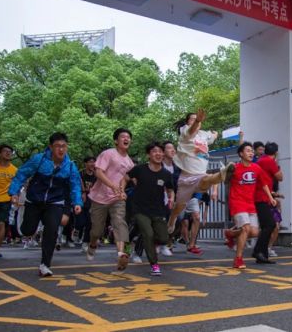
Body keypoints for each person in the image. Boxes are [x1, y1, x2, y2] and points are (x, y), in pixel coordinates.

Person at [7, 133, 82, 276]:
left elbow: (75, 186)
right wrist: (14, 192)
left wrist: (77, 203)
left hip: (55, 202)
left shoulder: (70, 166)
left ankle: (45, 265)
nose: (61, 149)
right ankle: (27, 230)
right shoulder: (39, 160)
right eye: (57, 146)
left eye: (64, 146)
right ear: (51, 147)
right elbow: (21, 174)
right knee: (28, 230)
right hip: (34, 201)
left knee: (52, 230)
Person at [167, 109, 235, 234]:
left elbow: (211, 137)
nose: (195, 121)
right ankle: (172, 219)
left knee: (207, 179)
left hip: (200, 175)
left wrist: (215, 134)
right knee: (180, 206)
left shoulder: (203, 134)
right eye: (192, 119)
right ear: (187, 122)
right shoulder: (185, 131)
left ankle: (223, 173)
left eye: (197, 119)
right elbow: (191, 130)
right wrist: (197, 121)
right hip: (186, 177)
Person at [121, 141, 174, 276]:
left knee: (163, 238)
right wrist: (121, 191)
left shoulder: (166, 174)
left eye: (160, 151)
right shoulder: (140, 169)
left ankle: (129, 242)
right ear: (148, 155)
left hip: (158, 210)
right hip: (140, 209)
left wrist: (171, 198)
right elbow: (125, 178)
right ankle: (154, 265)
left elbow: (170, 189)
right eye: (154, 151)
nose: (158, 154)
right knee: (148, 234)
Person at [86, 128, 134, 271]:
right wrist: (113, 186)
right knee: (97, 231)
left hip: (116, 198)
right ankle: (92, 244)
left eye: (128, 137)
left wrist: (121, 191)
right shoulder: (108, 154)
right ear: (116, 141)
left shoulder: (130, 162)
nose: (126, 139)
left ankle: (122, 253)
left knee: (120, 222)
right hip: (99, 197)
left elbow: (125, 178)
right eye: (123, 137)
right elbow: (98, 172)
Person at [223, 142, 267, 268]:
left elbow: (264, 184)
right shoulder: (234, 168)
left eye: (252, 151)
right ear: (241, 154)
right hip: (237, 202)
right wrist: (215, 191)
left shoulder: (256, 168)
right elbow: (221, 177)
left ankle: (230, 234)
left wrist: (271, 197)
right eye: (248, 151)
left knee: (254, 232)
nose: (251, 153)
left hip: (250, 203)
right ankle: (238, 259)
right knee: (246, 228)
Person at [254, 142, 281, 263]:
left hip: (264, 195)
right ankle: (258, 251)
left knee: (267, 225)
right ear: (276, 153)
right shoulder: (269, 161)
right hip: (261, 197)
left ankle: (262, 255)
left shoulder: (261, 160)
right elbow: (280, 177)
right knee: (270, 224)